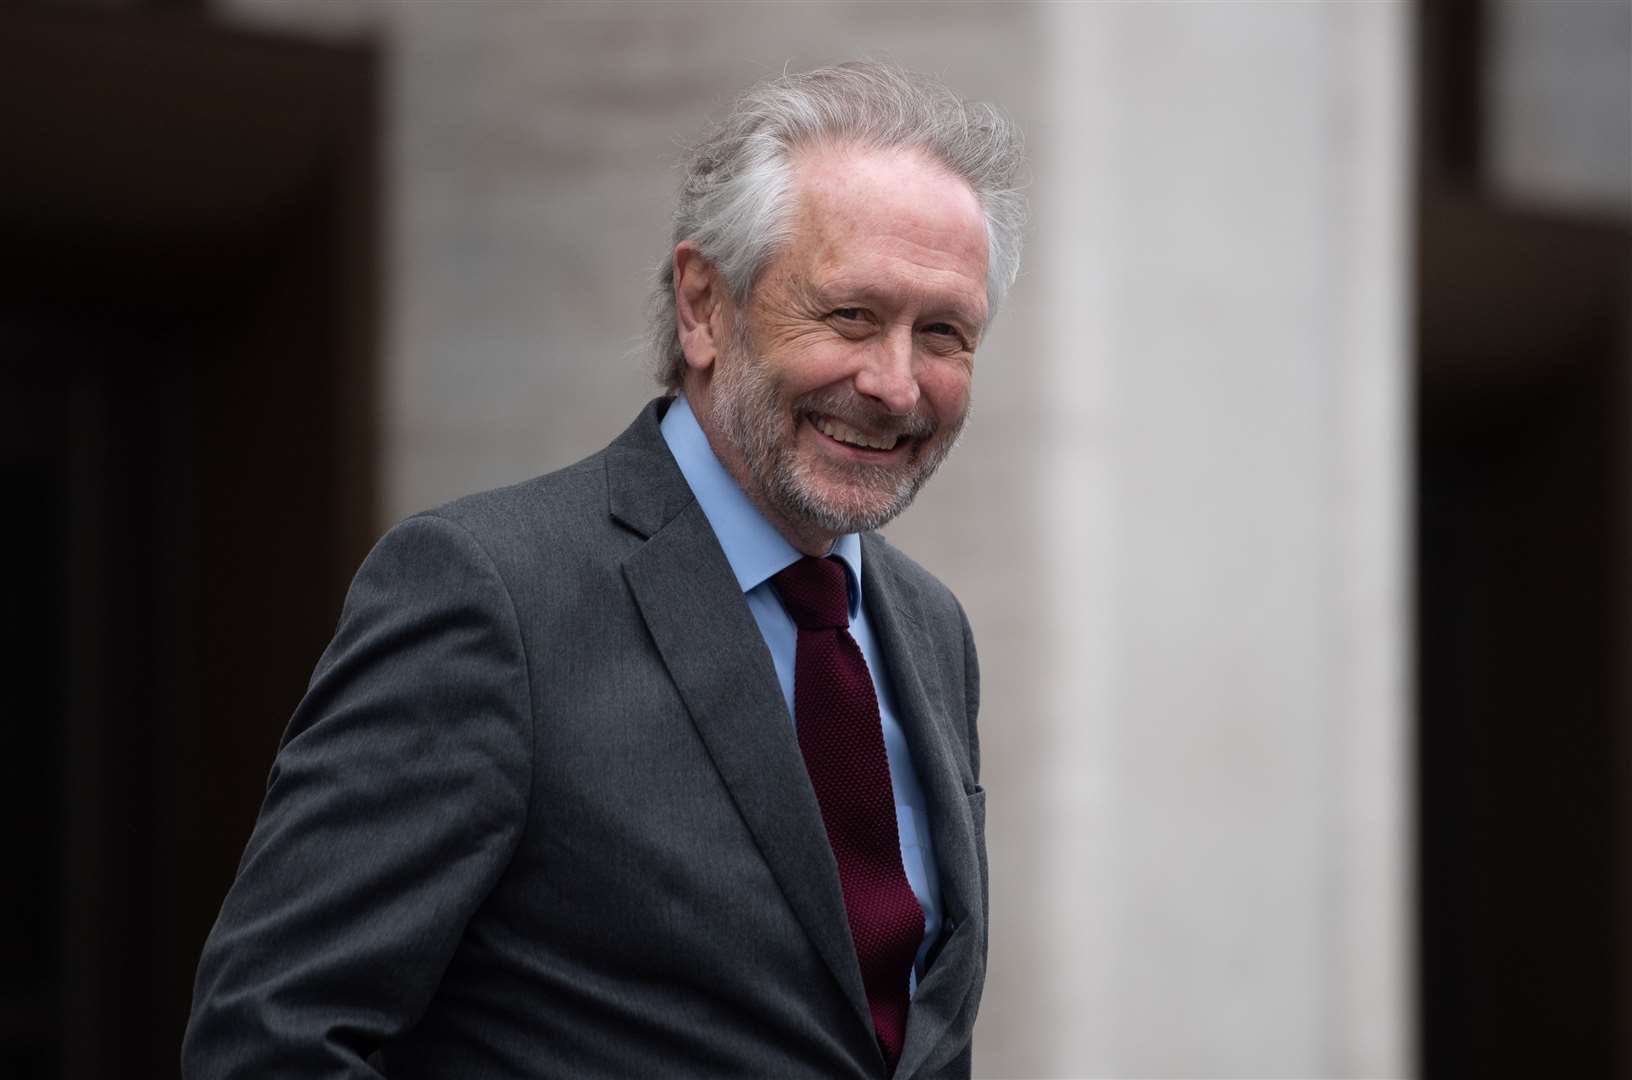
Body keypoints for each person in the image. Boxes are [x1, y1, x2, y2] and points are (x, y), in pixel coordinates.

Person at [183, 60, 1025, 1080]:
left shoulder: (930, 631)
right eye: (850, 315)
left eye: (943, 333)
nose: (896, 384)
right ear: (704, 306)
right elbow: (271, 1041)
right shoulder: (491, 593)